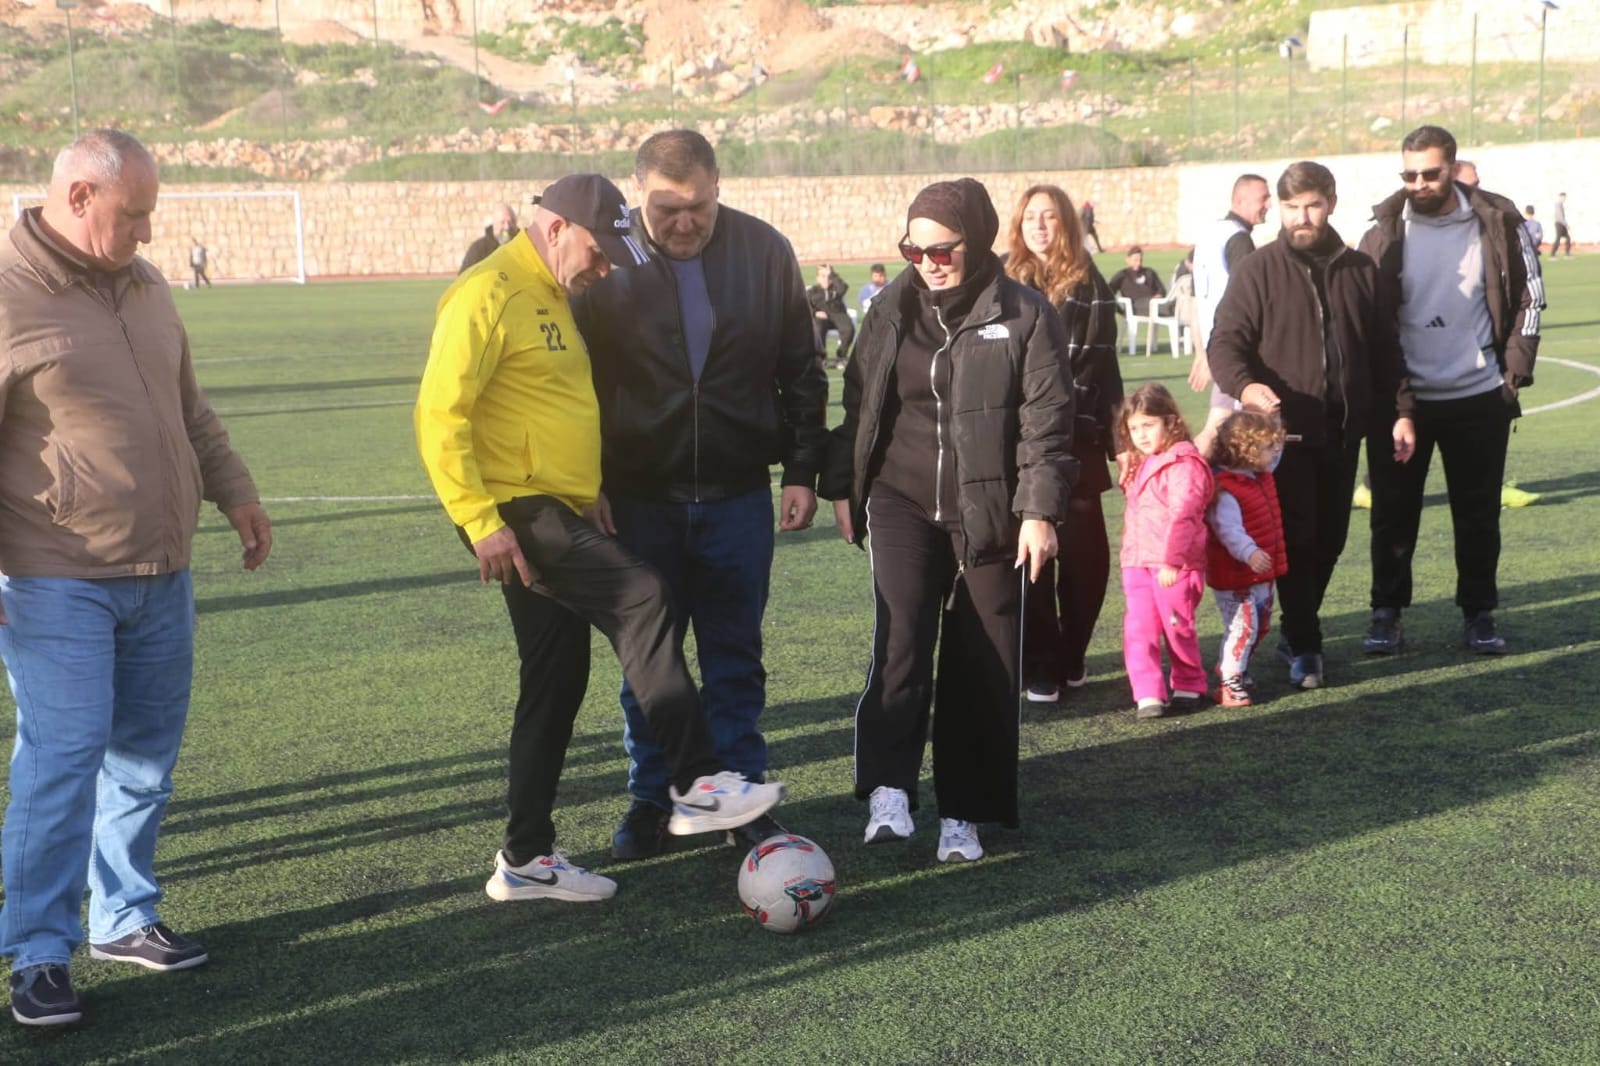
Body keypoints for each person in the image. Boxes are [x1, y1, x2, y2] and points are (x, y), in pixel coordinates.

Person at [416, 173, 786, 907]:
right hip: (515, 511)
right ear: (557, 229)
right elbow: (439, 414)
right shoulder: (486, 293)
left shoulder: (552, 292)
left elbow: (547, 405)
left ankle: (524, 859)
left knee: (555, 682)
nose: (605, 268)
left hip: (556, 505)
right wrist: (480, 522)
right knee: (643, 596)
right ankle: (697, 783)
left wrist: (590, 490)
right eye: (599, 251)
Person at [0, 129, 273, 1027]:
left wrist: (235, 492)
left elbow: (189, 409)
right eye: (135, 215)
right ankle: (38, 952)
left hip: (163, 570)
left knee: (145, 761)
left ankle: (121, 916)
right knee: (63, 758)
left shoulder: (148, 287)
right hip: (56, 574)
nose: (148, 234)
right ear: (79, 197)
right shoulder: (6, 294)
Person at [571, 131, 827, 861]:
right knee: (647, 663)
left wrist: (802, 470)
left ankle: (742, 794)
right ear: (637, 195)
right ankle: (654, 797)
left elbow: (800, 368)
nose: (684, 222)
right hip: (636, 497)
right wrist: (589, 482)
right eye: (666, 209)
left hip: (736, 494)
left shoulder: (764, 251)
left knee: (734, 655)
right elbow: (573, 384)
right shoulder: (606, 258)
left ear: (719, 188)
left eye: (699, 207)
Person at [820, 177, 1074, 864]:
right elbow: (859, 403)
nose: (927, 263)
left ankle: (963, 812)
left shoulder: (1025, 314)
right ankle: (888, 788)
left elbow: (1047, 422)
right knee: (901, 637)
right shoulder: (888, 309)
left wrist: (1038, 510)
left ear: (978, 240)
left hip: (991, 510)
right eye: (914, 249)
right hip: (900, 498)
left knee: (982, 659)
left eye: (942, 250)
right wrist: (841, 484)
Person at [1208, 160, 1415, 691]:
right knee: (1298, 539)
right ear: (1279, 208)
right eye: (1291, 206)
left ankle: (1294, 628)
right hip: (1280, 441)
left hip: (1343, 434)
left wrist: (1402, 411)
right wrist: (1246, 387)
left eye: (1312, 205)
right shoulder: (1258, 270)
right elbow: (1224, 343)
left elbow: (1386, 350)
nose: (1302, 216)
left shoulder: (1360, 270)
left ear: (1331, 204)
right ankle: (1305, 643)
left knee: (1331, 539)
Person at [1357, 125, 1544, 656]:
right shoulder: (1382, 229)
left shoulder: (1498, 220)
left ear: (1453, 167)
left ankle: (1479, 614)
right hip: (1403, 403)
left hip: (1479, 396)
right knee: (1392, 514)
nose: (1419, 184)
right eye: (1409, 174)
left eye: (1430, 173)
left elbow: (1530, 297)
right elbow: (1364, 313)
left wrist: (1511, 376)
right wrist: (1385, 392)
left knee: (1478, 514)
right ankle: (1386, 613)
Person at [1004, 183, 1123, 703]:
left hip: (1080, 437)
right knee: (1031, 556)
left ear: (1067, 224)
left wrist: (1122, 442)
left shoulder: (1091, 284)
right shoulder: (1002, 283)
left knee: (1086, 561)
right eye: (1031, 216)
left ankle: (1072, 651)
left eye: (1050, 216)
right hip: (1019, 439)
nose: (1039, 225)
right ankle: (1042, 662)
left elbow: (1107, 368)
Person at [1116, 384, 1213, 720]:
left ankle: (1189, 682)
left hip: (1175, 566)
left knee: (1177, 626)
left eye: (1148, 425)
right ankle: (1147, 692)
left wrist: (1172, 560)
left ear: (1171, 422)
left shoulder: (1186, 464)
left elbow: (1185, 513)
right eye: (1134, 428)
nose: (1141, 435)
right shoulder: (1143, 462)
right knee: (1139, 629)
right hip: (1137, 562)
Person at [1204, 410, 1288, 708]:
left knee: (1259, 626)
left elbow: (1275, 456)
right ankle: (1230, 680)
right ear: (1247, 451)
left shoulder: (1259, 476)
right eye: (1268, 447)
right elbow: (1228, 531)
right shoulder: (1227, 489)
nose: (1275, 451)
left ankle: (1234, 668)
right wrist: (1249, 553)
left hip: (1260, 573)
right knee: (1243, 627)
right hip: (1237, 576)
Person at [1188, 173, 1272, 457]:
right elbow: (1251, 297)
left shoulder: (1209, 235)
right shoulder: (1238, 240)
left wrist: (1203, 351)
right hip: (1235, 349)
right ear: (1240, 200)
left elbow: (1196, 299)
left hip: (1218, 347)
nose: (1269, 205)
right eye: (1263, 198)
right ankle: (1184, 473)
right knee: (1219, 429)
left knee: (1230, 430)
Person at [807, 262, 855, 367]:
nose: (826, 279)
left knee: (849, 329)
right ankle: (821, 358)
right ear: (817, 278)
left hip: (838, 314)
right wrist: (815, 312)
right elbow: (805, 306)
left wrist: (832, 275)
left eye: (828, 276)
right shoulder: (812, 291)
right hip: (821, 317)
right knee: (818, 328)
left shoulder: (836, 289)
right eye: (823, 276)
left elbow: (843, 288)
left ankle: (841, 356)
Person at [1106, 245, 1167, 316]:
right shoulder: (1122, 275)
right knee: (1169, 308)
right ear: (1127, 260)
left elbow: (1162, 290)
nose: (1138, 263)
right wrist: (1120, 311)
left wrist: (1158, 296)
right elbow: (1109, 293)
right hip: (1135, 306)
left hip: (1154, 303)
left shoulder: (1149, 272)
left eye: (1140, 260)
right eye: (1135, 260)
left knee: (1175, 305)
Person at [459, 202, 519, 273]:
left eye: (511, 222)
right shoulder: (479, 249)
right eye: (502, 222)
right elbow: (464, 276)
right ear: (494, 224)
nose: (507, 227)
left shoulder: (524, 246)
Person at [1552, 192, 1572, 258]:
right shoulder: (1558, 204)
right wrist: (1566, 225)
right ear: (1561, 197)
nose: (1565, 199)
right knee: (1558, 238)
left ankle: (1567, 253)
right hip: (1559, 223)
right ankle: (1552, 254)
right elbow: (1560, 216)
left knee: (1567, 238)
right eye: (1564, 197)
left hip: (1561, 223)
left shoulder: (1560, 204)